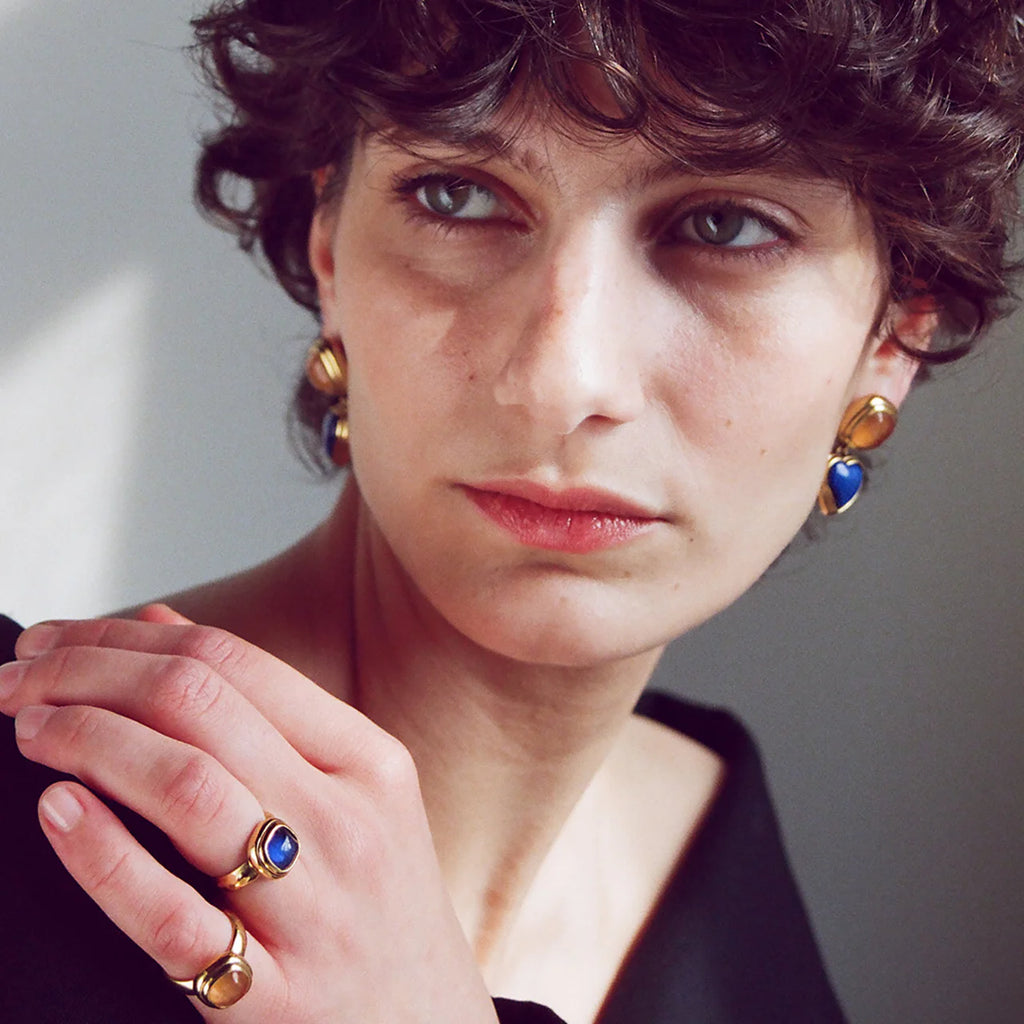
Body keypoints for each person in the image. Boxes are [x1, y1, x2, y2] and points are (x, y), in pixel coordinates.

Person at [1, 1, 1022, 1021]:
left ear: (894, 333)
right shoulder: (30, 804)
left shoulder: (711, 839)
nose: (560, 380)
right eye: (457, 196)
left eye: (725, 225)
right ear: (328, 250)